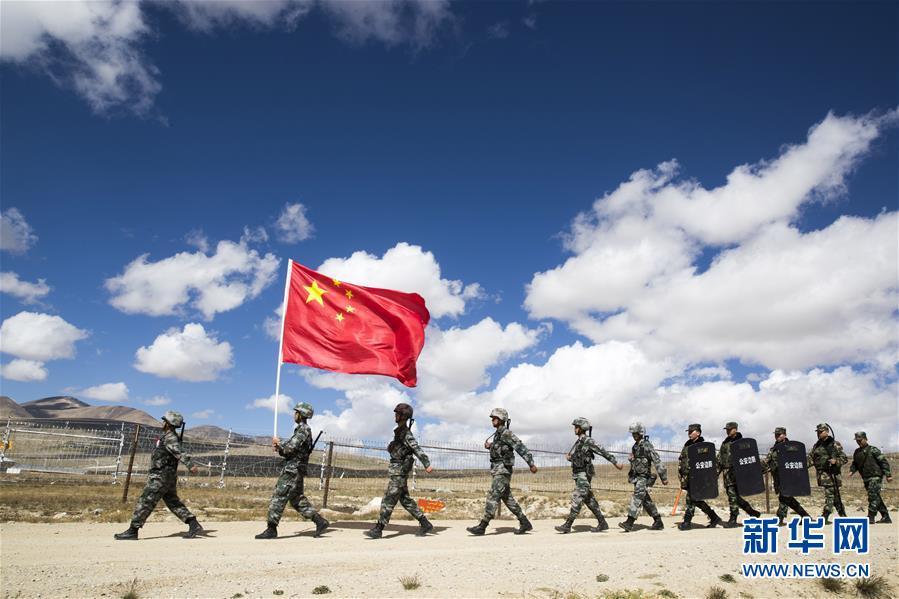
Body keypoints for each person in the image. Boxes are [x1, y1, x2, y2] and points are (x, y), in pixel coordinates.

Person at [114, 411, 203, 540]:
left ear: (168, 423)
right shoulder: (168, 436)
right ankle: (193, 524)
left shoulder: (170, 437)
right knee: (173, 502)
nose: (163, 423)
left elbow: (179, 451)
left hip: (161, 476)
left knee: (146, 500)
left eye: (164, 421)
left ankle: (133, 530)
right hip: (167, 475)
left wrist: (190, 465)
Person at [255, 402, 329, 539]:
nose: (294, 414)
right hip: (296, 470)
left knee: (279, 497)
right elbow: (290, 450)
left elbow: (290, 448)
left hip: (292, 471)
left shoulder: (303, 430)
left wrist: (279, 443)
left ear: (301, 414)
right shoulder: (302, 430)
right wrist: (280, 448)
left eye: (296, 412)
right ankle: (320, 521)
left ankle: (271, 529)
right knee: (296, 499)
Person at [364, 403, 434, 539]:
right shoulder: (399, 433)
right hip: (397, 470)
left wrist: (427, 464)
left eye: (398, 413)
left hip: (400, 472)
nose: (395, 416)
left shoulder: (406, 434)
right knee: (405, 500)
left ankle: (378, 529)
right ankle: (425, 523)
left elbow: (416, 448)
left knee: (388, 499)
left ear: (404, 416)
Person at [467, 408, 538, 535]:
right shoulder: (498, 435)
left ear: (501, 419)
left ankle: (482, 525)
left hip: (503, 470)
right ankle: (525, 522)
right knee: (507, 498)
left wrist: (531, 463)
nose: (492, 420)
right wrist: (491, 446)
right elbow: (500, 449)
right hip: (497, 469)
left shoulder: (506, 433)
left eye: (495, 418)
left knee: (493, 495)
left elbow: (520, 447)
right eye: (492, 418)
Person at [555, 417, 624, 533]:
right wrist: (570, 458)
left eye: (577, 427)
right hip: (578, 474)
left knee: (577, 496)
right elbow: (579, 458)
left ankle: (568, 524)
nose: (574, 429)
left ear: (582, 428)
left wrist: (615, 462)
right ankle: (602, 523)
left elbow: (602, 451)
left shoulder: (588, 441)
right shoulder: (578, 442)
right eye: (575, 427)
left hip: (584, 474)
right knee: (589, 500)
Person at [619, 422, 668, 532]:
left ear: (641, 433)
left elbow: (657, 461)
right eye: (633, 433)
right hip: (636, 477)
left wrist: (663, 477)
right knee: (645, 500)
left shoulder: (647, 445)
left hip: (644, 477)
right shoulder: (635, 447)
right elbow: (637, 462)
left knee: (637, 497)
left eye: (635, 433)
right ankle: (658, 521)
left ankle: (629, 522)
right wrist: (632, 460)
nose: (633, 435)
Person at [677, 423, 723, 530]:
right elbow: (681, 460)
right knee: (696, 499)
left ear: (698, 433)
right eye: (688, 432)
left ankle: (687, 522)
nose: (689, 433)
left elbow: (709, 463)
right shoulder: (686, 446)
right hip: (688, 477)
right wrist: (681, 475)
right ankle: (714, 517)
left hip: (698, 478)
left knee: (690, 498)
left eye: (691, 431)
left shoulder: (703, 446)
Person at [761, 426, 811, 526]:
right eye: (776, 435)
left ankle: (780, 518)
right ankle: (805, 516)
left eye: (779, 435)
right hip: (778, 478)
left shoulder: (792, 447)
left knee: (784, 498)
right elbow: (767, 462)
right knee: (788, 499)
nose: (777, 436)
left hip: (789, 478)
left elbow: (798, 461)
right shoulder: (773, 449)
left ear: (784, 435)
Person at [717, 422, 762, 527]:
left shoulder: (743, 443)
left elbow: (749, 458)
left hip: (739, 474)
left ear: (735, 429)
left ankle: (733, 519)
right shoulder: (725, 443)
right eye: (726, 430)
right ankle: (752, 512)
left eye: (729, 429)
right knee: (734, 496)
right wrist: (716, 472)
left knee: (732, 496)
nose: (728, 431)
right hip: (728, 474)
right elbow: (719, 459)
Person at [848, 431, 892, 524]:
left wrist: (888, 475)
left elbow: (883, 462)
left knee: (872, 496)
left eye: (860, 440)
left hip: (875, 476)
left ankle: (871, 516)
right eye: (857, 441)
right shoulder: (857, 452)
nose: (858, 442)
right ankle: (885, 516)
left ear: (865, 439)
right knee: (875, 496)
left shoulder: (873, 450)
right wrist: (851, 471)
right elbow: (855, 463)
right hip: (866, 477)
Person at [809, 423, 848, 523]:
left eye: (821, 432)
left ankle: (825, 516)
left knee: (830, 495)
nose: (819, 434)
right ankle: (843, 515)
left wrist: (836, 461)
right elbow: (811, 459)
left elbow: (844, 458)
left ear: (827, 432)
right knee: (835, 497)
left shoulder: (834, 444)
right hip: (822, 475)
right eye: (818, 432)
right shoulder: (817, 445)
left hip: (832, 474)